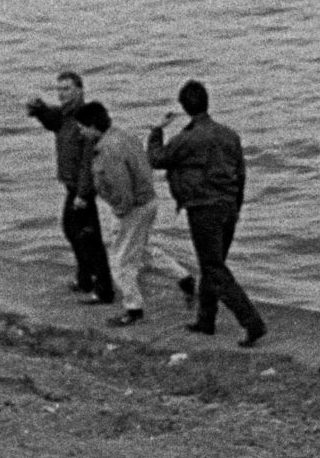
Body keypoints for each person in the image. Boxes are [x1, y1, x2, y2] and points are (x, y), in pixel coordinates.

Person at [147, 79, 266, 347]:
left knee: (212, 268)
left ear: (184, 107)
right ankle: (206, 320)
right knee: (212, 264)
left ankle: (252, 322)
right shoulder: (230, 135)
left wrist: (156, 129)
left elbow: (156, 159)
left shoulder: (186, 139)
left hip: (203, 209)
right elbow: (241, 175)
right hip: (228, 207)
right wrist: (236, 206)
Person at [73, 101, 189, 326]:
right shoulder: (122, 135)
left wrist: (120, 212)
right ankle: (183, 278)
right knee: (141, 249)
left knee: (120, 260)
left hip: (132, 208)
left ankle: (133, 309)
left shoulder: (108, 151)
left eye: (82, 127)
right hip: (148, 201)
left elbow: (121, 188)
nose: (81, 132)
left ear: (93, 126)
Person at [26, 71, 112, 304]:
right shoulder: (65, 115)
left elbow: (88, 161)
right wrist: (39, 109)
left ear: (79, 90)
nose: (61, 94)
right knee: (73, 231)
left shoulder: (85, 118)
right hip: (73, 186)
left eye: (66, 89)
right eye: (59, 89)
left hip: (81, 188)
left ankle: (103, 288)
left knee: (88, 236)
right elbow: (52, 120)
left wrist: (83, 193)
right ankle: (86, 278)